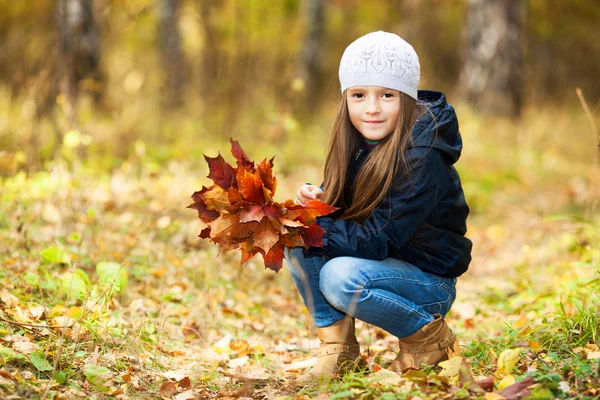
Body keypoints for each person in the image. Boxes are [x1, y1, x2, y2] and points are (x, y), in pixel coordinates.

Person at [285, 31, 472, 383]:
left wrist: (316, 227)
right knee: (296, 239)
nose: (371, 108)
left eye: (386, 95)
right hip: (384, 266)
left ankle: (429, 340)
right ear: (346, 100)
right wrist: (318, 203)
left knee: (338, 277)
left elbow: (377, 238)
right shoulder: (358, 141)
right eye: (359, 95)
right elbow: (355, 206)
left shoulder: (423, 154)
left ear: (406, 97)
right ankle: (338, 350)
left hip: (427, 283)